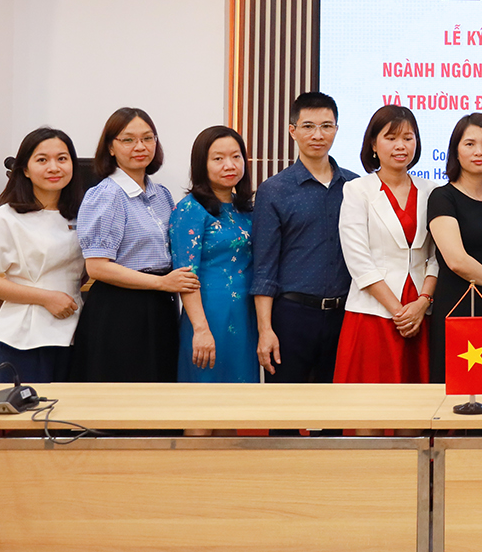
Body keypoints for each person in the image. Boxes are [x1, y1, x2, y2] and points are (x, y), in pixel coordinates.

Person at [70, 108, 198, 381]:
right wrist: (162, 283)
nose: (140, 146)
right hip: (120, 309)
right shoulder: (105, 195)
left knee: (158, 393)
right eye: (128, 140)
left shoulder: (161, 194)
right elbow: (97, 267)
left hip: (161, 305)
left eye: (148, 138)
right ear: (111, 148)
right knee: (124, 399)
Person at [0, 127, 88, 384]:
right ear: (25, 169)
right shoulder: (7, 217)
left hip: (75, 333)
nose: (54, 167)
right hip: (25, 338)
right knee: (24, 420)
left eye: (62, 159)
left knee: (69, 421)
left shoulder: (82, 216)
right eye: (42, 160)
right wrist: (46, 298)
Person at [251, 91, 359, 383]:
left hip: (345, 314)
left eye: (326, 126)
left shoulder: (355, 186)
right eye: (308, 126)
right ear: (293, 131)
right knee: (284, 412)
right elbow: (263, 266)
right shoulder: (274, 190)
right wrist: (265, 329)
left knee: (338, 415)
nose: (318, 134)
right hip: (292, 316)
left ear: (336, 129)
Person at [337, 105, 438, 382]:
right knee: (369, 409)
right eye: (391, 138)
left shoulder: (431, 191)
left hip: (420, 313)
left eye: (408, 137)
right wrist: (399, 312)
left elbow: (436, 256)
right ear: (373, 143)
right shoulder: (357, 190)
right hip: (373, 313)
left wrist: (421, 304)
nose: (401, 146)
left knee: (416, 410)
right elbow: (358, 260)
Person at [427, 113, 482, 383]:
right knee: (460, 390)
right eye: (469, 144)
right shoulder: (442, 196)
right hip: (459, 305)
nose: (479, 151)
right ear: (456, 151)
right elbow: (456, 261)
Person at [169, 126, 258, 384]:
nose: (229, 165)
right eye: (218, 158)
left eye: (236, 156)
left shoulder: (246, 209)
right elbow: (186, 276)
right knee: (201, 408)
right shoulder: (190, 210)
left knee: (232, 410)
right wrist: (200, 329)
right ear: (202, 164)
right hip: (208, 316)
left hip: (243, 316)